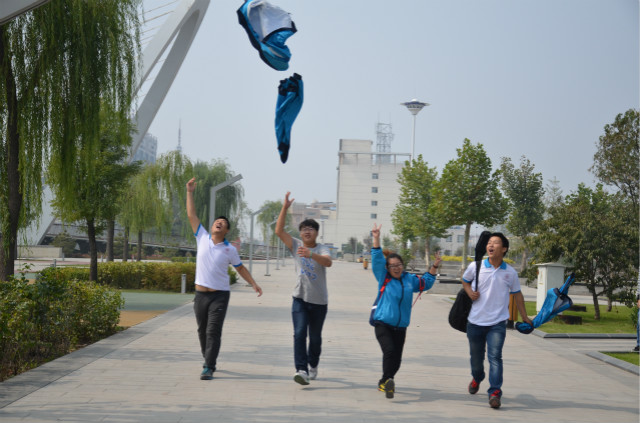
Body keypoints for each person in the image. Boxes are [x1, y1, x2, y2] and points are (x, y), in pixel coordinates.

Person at [186, 177, 263, 380]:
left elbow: (240, 268)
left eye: (223, 223)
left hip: (219, 296)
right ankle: (208, 359)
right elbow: (191, 214)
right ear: (212, 227)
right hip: (200, 295)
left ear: (227, 231)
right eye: (217, 222)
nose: (219, 223)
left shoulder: (230, 249)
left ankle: (209, 366)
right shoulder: (201, 236)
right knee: (202, 331)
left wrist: (253, 283)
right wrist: (190, 192)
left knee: (213, 331)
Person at [370, 223, 441, 399]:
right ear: (388, 268)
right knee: (390, 352)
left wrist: (434, 266)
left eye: (399, 264)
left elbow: (426, 283)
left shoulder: (409, 279)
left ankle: (386, 381)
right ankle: (387, 382)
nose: (396, 267)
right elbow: (377, 259)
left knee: (397, 360)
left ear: (403, 265)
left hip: (401, 327)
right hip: (383, 323)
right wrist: (376, 239)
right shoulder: (383, 277)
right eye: (392, 265)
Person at [461, 232, 532, 409]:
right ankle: (477, 378)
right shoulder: (476, 266)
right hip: (475, 322)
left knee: (495, 357)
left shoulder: (510, 272)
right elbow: (465, 281)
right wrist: (470, 292)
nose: (490, 245)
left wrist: (524, 317)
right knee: (476, 359)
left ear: (504, 249)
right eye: (489, 242)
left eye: (495, 243)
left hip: (497, 323)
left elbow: (517, 295)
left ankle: (494, 393)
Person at [275, 192, 333, 386]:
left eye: (311, 229)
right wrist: (284, 208)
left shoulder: (322, 248)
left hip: (319, 302)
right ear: (300, 233)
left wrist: (310, 255)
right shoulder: (296, 245)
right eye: (304, 229)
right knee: (299, 333)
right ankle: (301, 369)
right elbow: (279, 231)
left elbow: (328, 262)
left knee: (315, 339)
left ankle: (313, 364)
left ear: (316, 233)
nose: (307, 232)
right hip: (299, 298)